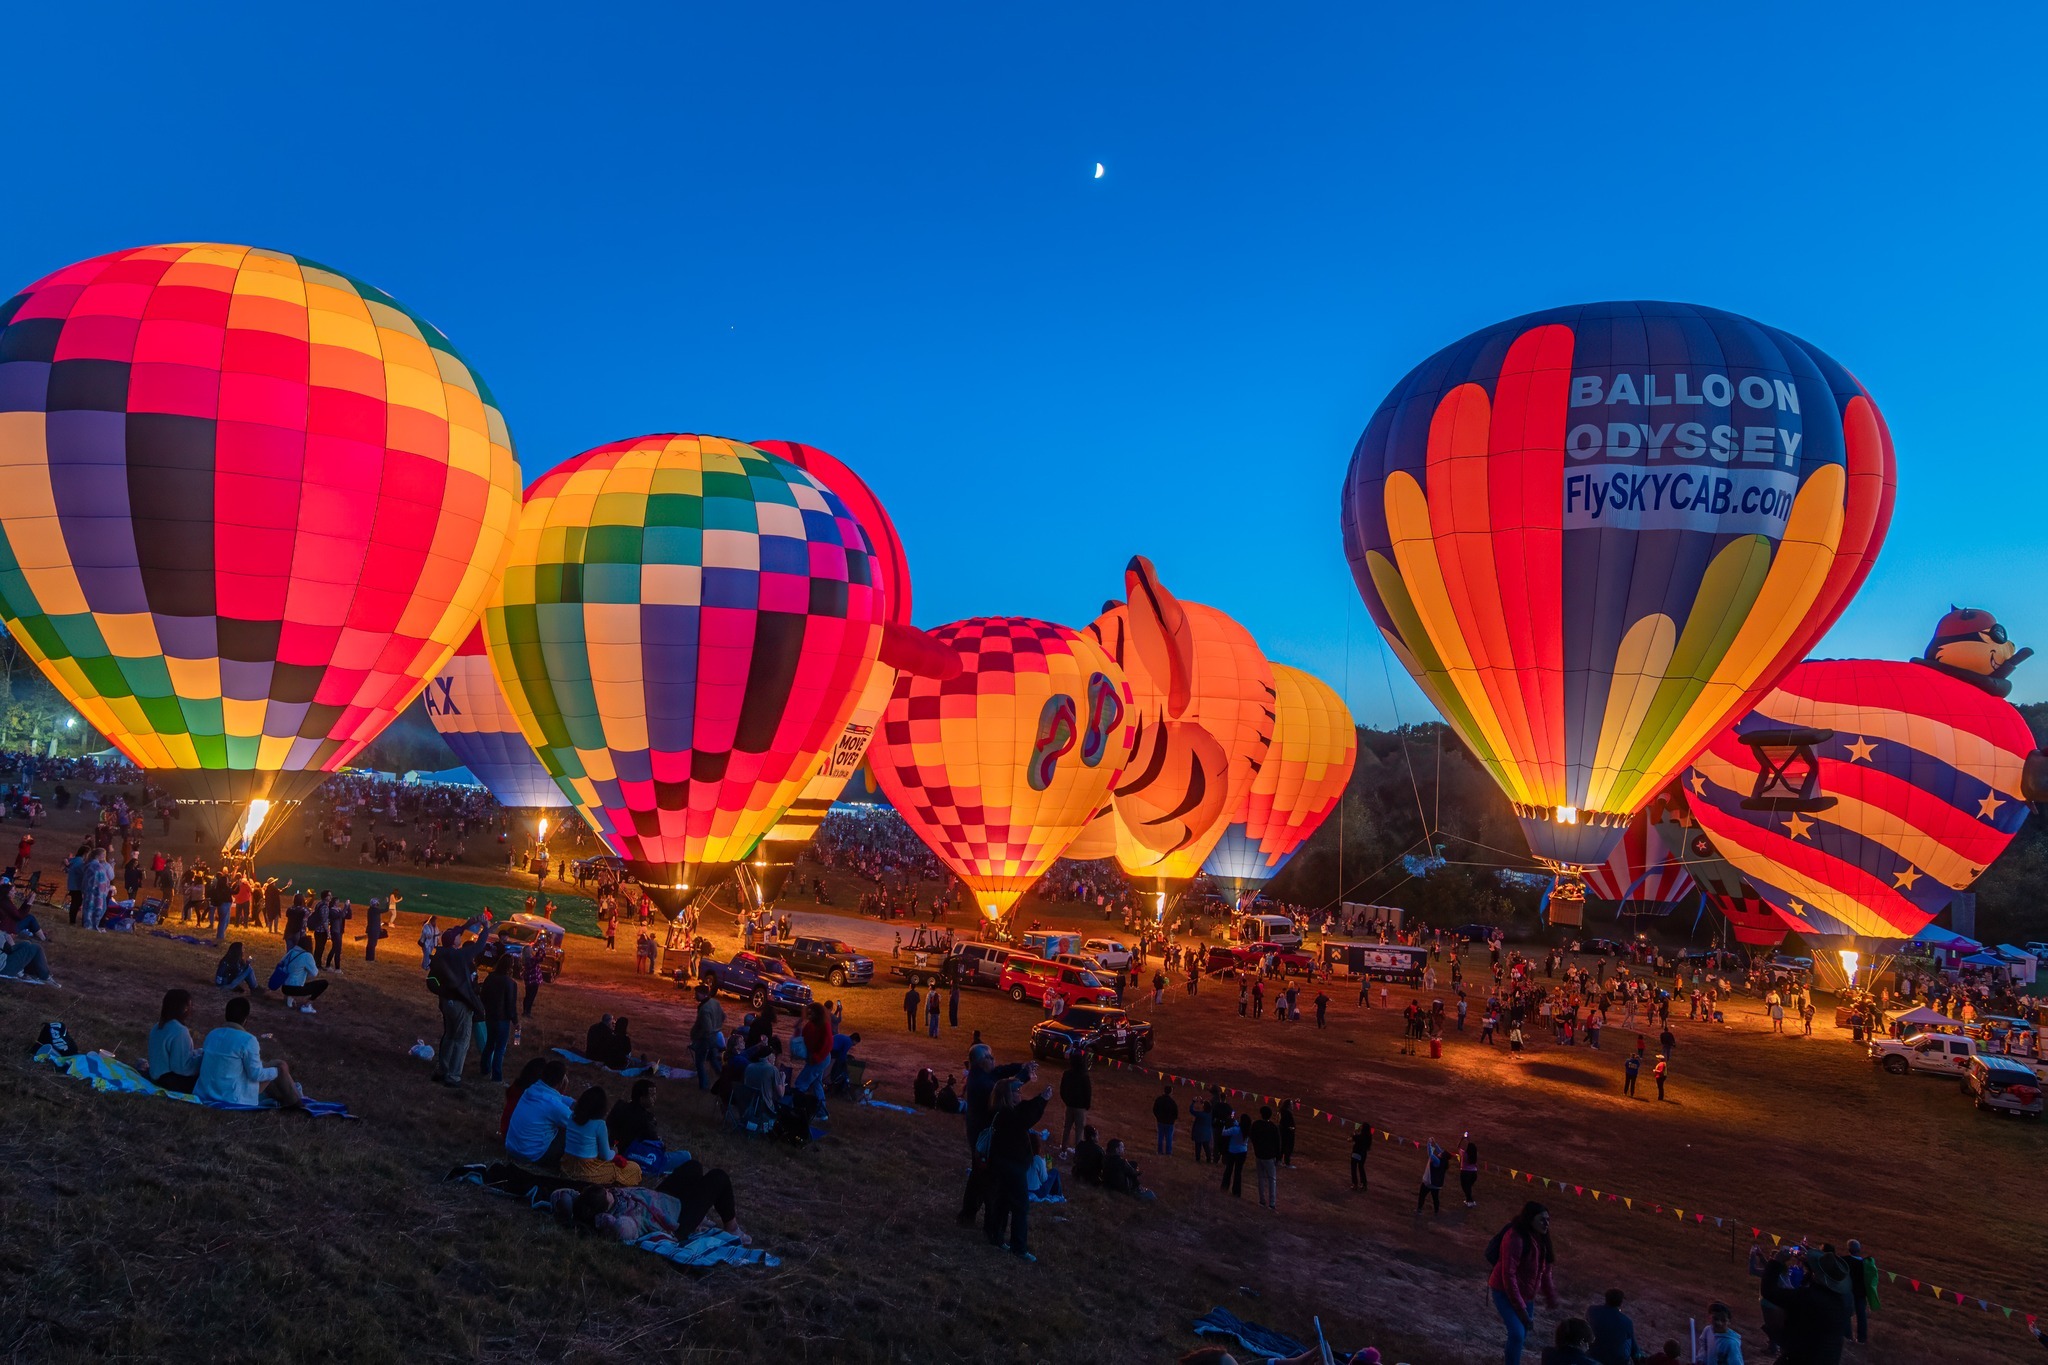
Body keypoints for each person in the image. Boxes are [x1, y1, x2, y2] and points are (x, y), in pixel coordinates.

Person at [570, 1159, 745, 1246]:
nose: (610, 1191)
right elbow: (625, 1230)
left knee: (693, 1166)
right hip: (675, 1219)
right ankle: (732, 1228)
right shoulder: (625, 1217)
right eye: (607, 1193)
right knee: (718, 1177)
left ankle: (700, 1212)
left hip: (659, 1199)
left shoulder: (615, 1197)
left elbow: (567, 1195)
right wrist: (614, 1225)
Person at [959, 1045, 1032, 1223]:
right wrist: (1024, 1075)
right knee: (987, 1179)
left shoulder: (981, 1074)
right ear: (980, 1061)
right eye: (989, 1058)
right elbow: (1003, 1091)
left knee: (979, 1176)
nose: (994, 1060)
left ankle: (969, 1215)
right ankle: (986, 1221)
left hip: (979, 1134)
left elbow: (999, 1071)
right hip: (982, 1137)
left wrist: (1020, 1066)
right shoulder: (981, 1083)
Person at [983, 1076, 1051, 1261]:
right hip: (1011, 1165)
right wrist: (1042, 1101)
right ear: (1008, 1095)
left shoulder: (1002, 1111)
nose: (1020, 1094)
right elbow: (1026, 1118)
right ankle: (1019, 1247)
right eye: (1017, 1091)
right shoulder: (1007, 1115)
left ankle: (996, 1237)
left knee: (1003, 1201)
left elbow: (1024, 1111)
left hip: (1002, 1163)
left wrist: (1039, 1099)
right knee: (1021, 1206)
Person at [195, 997, 300, 1108]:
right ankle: (297, 1104)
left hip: (206, 1092)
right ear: (246, 1019)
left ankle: (287, 1096)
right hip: (233, 1097)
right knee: (280, 1065)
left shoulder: (212, 1034)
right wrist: (277, 1072)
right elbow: (256, 1074)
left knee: (268, 1065)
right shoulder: (247, 1040)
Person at [1488, 1202, 1558, 1365]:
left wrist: (1551, 1296)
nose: (1546, 1224)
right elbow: (1508, 1275)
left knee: (1521, 1334)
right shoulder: (1515, 1238)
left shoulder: (1542, 1239)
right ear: (1530, 1220)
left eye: (1548, 1219)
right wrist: (1521, 1311)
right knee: (1518, 1333)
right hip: (1503, 1291)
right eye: (1542, 1220)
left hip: (1526, 1294)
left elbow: (1545, 1270)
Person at [1761, 1249, 1850, 1365]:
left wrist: (1776, 1262)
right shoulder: (1841, 1300)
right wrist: (1808, 1263)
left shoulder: (1809, 1298)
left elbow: (1769, 1291)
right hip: (1829, 1359)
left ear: (1817, 1275)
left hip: (1802, 1358)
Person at [428, 926, 491, 1087]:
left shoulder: (442, 954)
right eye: (458, 936)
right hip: (460, 1003)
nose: (460, 937)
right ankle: (453, 1076)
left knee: (449, 1036)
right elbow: (480, 945)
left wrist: (468, 923)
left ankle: (442, 1069)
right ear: (454, 942)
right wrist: (486, 928)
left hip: (446, 1002)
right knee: (461, 1040)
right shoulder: (459, 956)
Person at [562, 1085, 641, 1186]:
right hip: (586, 1172)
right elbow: (606, 1156)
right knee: (634, 1168)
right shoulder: (599, 1124)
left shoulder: (572, 1117)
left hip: (566, 1166)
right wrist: (614, 1151)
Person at [505, 1058, 574, 1167]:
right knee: (570, 1133)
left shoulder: (530, 1090)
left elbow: (553, 1097)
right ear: (561, 1081)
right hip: (531, 1155)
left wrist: (572, 1102)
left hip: (511, 1149)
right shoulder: (555, 1107)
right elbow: (578, 1123)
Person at [147, 988, 202, 1092]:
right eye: (189, 1005)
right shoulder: (179, 1031)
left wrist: (198, 1053)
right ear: (184, 1008)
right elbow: (181, 1067)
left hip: (155, 1075)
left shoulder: (158, 1026)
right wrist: (202, 1060)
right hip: (169, 1082)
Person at [480, 954, 519, 1083]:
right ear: (510, 967)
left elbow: (483, 995)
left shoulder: (490, 977)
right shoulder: (510, 983)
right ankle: (496, 1076)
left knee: (490, 1044)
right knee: (500, 1047)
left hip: (490, 1016)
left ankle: (484, 1069)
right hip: (503, 1019)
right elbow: (511, 1004)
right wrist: (516, 1021)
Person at [276, 937, 326, 1014]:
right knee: (324, 983)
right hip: (296, 988)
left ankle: (289, 997)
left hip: (285, 987)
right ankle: (308, 1004)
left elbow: (281, 963)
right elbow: (315, 973)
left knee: (296, 981)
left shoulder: (291, 952)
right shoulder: (307, 955)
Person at [1585, 1289, 1636, 1365]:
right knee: (1628, 1340)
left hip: (1593, 1353)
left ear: (1606, 1298)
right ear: (1621, 1302)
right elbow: (1632, 1345)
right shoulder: (1626, 1321)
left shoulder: (1592, 1310)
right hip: (1615, 1361)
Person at [691, 983, 725, 1089]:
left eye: (697, 993)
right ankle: (724, 1080)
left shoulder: (704, 1009)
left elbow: (707, 1028)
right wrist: (717, 1026)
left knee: (700, 1062)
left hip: (705, 1039)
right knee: (713, 1060)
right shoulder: (715, 1002)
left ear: (702, 994)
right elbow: (723, 1016)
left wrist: (697, 1036)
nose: (695, 995)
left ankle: (704, 1085)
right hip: (715, 1036)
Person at [1843, 1239, 1878, 1344]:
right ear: (1859, 1250)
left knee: (1846, 1313)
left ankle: (1847, 1336)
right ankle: (1861, 1338)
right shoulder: (1865, 1264)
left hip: (1848, 1290)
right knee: (1861, 1314)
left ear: (1849, 1249)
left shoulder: (1844, 1260)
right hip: (1861, 1292)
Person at [1247, 1105, 1282, 1209]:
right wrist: (1278, 1157)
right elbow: (1277, 1143)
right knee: (1272, 1179)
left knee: (1261, 1178)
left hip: (1259, 1154)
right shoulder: (1273, 1127)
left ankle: (1262, 1200)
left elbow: (1251, 1136)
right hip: (1269, 1157)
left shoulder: (1256, 1124)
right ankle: (1272, 1203)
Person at [1058, 1049, 1092, 1154]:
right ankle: (1078, 1152)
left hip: (1070, 1105)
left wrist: (1066, 1101)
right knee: (1079, 1130)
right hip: (1080, 1107)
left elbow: (1062, 1089)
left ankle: (1063, 1149)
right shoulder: (1084, 1076)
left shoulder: (1067, 1073)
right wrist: (1087, 1105)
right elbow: (1088, 1092)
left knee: (1067, 1127)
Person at [1025, 1131, 1063, 1200]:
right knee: (1054, 1171)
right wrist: (1045, 1165)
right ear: (1037, 1146)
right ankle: (1058, 1194)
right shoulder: (1037, 1159)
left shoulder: (1022, 1158)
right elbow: (1044, 1179)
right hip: (1037, 1192)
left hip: (1024, 1189)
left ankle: (1056, 1193)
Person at [1416, 1138, 1447, 1214]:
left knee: (1422, 1195)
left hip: (1429, 1182)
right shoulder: (1444, 1161)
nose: (1439, 1153)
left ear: (1441, 1156)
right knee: (1435, 1198)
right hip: (1437, 1184)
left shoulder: (1437, 1161)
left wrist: (1429, 1143)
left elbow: (1430, 1154)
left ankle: (1419, 1210)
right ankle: (1436, 1211)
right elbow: (1441, 1151)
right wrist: (1435, 1143)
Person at [1152, 1083, 1179, 1155]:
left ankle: (1160, 1151)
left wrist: (1158, 1117)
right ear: (1170, 1092)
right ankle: (1168, 1152)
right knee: (1169, 1138)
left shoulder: (1159, 1099)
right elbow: (1175, 1114)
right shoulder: (1172, 1102)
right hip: (1169, 1123)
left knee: (1160, 1136)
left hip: (1160, 1121)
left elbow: (1154, 1109)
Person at [1189, 1093, 1214, 1163]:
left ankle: (1198, 1159)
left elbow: (1191, 1110)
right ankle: (1208, 1159)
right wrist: (1202, 1101)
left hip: (1199, 1133)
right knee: (1206, 1148)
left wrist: (1193, 1102)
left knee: (1198, 1147)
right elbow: (1207, 1106)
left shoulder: (1201, 1115)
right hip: (1207, 1134)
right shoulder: (1210, 1115)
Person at [1459, 1138, 1480, 1207]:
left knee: (1465, 1187)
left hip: (1465, 1173)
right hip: (1474, 1174)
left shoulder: (1464, 1154)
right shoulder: (1475, 1155)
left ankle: (1470, 1201)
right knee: (1468, 1187)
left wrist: (1462, 1139)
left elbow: (1458, 1147)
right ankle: (1469, 1200)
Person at [1349, 1123, 1371, 1190]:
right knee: (1361, 1168)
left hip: (1356, 1153)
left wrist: (1354, 1134)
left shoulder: (1358, 1136)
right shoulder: (1369, 1137)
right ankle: (1364, 1184)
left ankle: (1355, 1184)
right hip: (1363, 1154)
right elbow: (1368, 1147)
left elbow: (1349, 1140)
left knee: (1354, 1168)